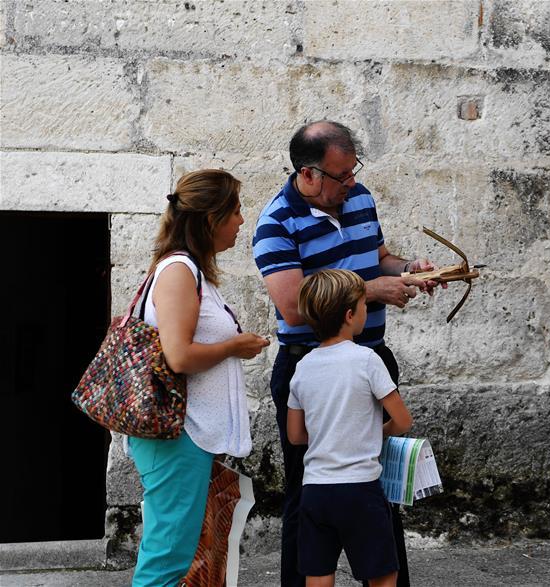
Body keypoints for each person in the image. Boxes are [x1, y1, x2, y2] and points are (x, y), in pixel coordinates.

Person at [253, 120, 442, 586]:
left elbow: (378, 256)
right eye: (342, 176)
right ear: (308, 174)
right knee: (306, 488)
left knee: (381, 484)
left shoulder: (359, 198)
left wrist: (407, 269)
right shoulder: (275, 222)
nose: (352, 183)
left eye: (354, 170)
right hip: (309, 365)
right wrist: (371, 289)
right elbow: (294, 307)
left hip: (372, 357)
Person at [129, 169, 270, 587]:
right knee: (167, 560)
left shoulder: (190, 271)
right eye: (237, 211)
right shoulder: (178, 271)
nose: (242, 222)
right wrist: (234, 347)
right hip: (177, 436)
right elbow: (178, 356)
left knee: (182, 555)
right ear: (211, 218)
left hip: (188, 437)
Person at [286, 269, 413, 587]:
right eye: (363, 307)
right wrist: (377, 432)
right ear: (349, 315)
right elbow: (402, 420)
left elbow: (295, 435)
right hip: (360, 490)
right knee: (383, 575)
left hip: (315, 491)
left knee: (318, 574)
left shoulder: (302, 367)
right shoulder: (368, 360)